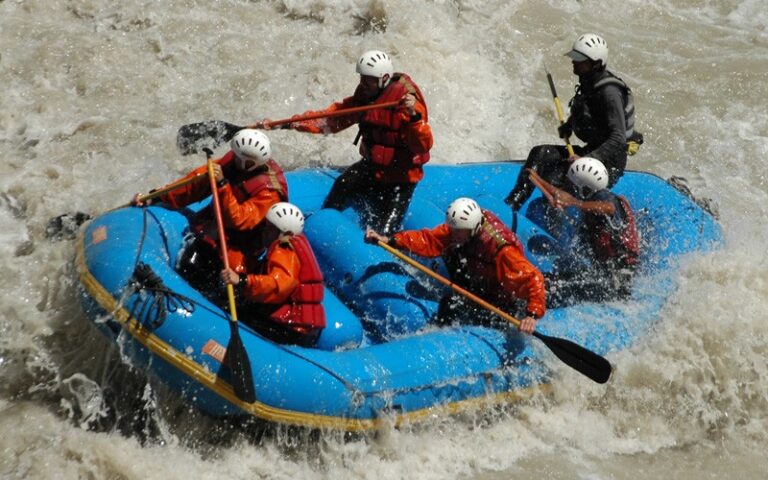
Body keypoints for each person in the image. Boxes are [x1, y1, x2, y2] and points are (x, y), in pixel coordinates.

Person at [256, 50, 433, 235]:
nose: (362, 84)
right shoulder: (364, 97)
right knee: (342, 185)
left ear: (384, 78)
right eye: (362, 78)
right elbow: (330, 120)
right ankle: (321, 228)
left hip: (401, 178)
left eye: (368, 80)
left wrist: (413, 116)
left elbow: (424, 145)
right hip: (372, 167)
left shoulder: (409, 104)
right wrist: (287, 124)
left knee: (385, 230)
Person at [133, 129, 288, 296]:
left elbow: (239, 220)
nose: (233, 158)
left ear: (249, 163)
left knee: (229, 280)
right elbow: (195, 183)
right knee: (191, 258)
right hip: (214, 225)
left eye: (237, 157)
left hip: (242, 244)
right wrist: (157, 196)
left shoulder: (269, 193)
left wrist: (222, 184)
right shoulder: (236, 162)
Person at [365, 198, 546, 334]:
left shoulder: (501, 249)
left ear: (474, 228)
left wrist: (531, 315)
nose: (453, 234)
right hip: (479, 276)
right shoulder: (462, 228)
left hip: (501, 299)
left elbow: (534, 278)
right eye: (453, 230)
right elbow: (428, 240)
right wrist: (390, 240)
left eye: (458, 232)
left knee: (450, 305)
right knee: (451, 252)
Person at [506, 33, 642, 211]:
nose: (574, 62)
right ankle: (515, 200)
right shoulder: (588, 83)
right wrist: (569, 125)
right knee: (541, 153)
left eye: (580, 60)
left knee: (557, 178)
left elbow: (618, 138)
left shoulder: (609, 93)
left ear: (596, 64)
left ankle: (561, 214)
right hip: (590, 152)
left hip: (606, 163)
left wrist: (585, 160)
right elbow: (589, 112)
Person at [528, 157, 640, 305]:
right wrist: (539, 180)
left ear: (583, 188)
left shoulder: (604, 199)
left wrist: (576, 203)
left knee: (549, 284)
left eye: (571, 184)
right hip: (604, 271)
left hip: (618, 278)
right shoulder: (595, 194)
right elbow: (563, 196)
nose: (567, 186)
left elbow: (609, 208)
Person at [220, 202, 326, 346]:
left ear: (285, 233)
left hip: (289, 329)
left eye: (269, 229)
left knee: (228, 307)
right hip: (302, 328)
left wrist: (242, 280)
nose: (264, 232)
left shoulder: (283, 249)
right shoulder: (295, 246)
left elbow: (278, 285)